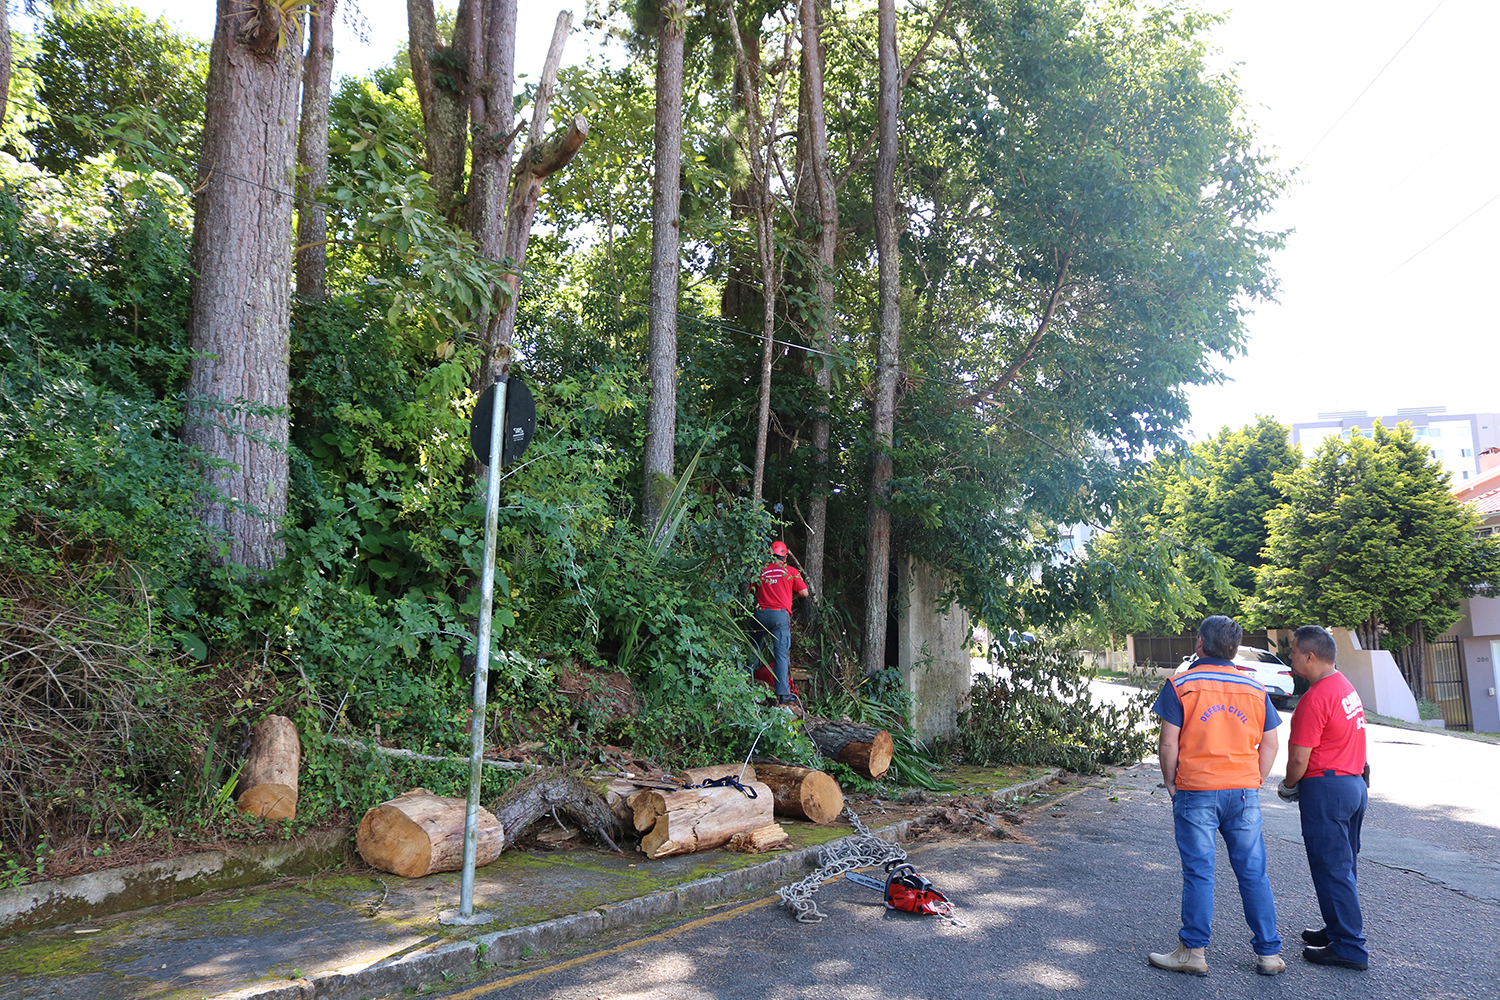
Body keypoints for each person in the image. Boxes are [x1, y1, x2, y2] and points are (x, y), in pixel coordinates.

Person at [1148, 615, 1285, 977]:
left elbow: (1168, 743)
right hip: (1242, 792)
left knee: (1199, 873)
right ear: (1234, 648)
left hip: (1196, 790)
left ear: (1199, 644)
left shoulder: (1180, 685)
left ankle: (1193, 953)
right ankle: (1269, 954)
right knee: (1253, 873)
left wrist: (1170, 783)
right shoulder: (1254, 688)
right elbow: (1271, 743)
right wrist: (1253, 779)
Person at [1278, 625, 1369, 971]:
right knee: (1342, 867)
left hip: (1327, 789)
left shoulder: (1315, 698)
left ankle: (1349, 946)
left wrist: (1287, 787)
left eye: (1294, 651)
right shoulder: (1344, 687)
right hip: (1352, 783)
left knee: (1332, 869)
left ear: (1310, 656)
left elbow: (1299, 758)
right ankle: (1337, 929)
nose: (1291, 656)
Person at [749, 540, 809, 706]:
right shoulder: (790, 571)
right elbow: (804, 593)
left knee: (754, 648)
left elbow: (750, 590)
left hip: (760, 614)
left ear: (770, 555)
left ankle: (744, 683)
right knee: (781, 655)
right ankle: (783, 694)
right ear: (784, 557)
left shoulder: (760, 571)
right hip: (780, 617)